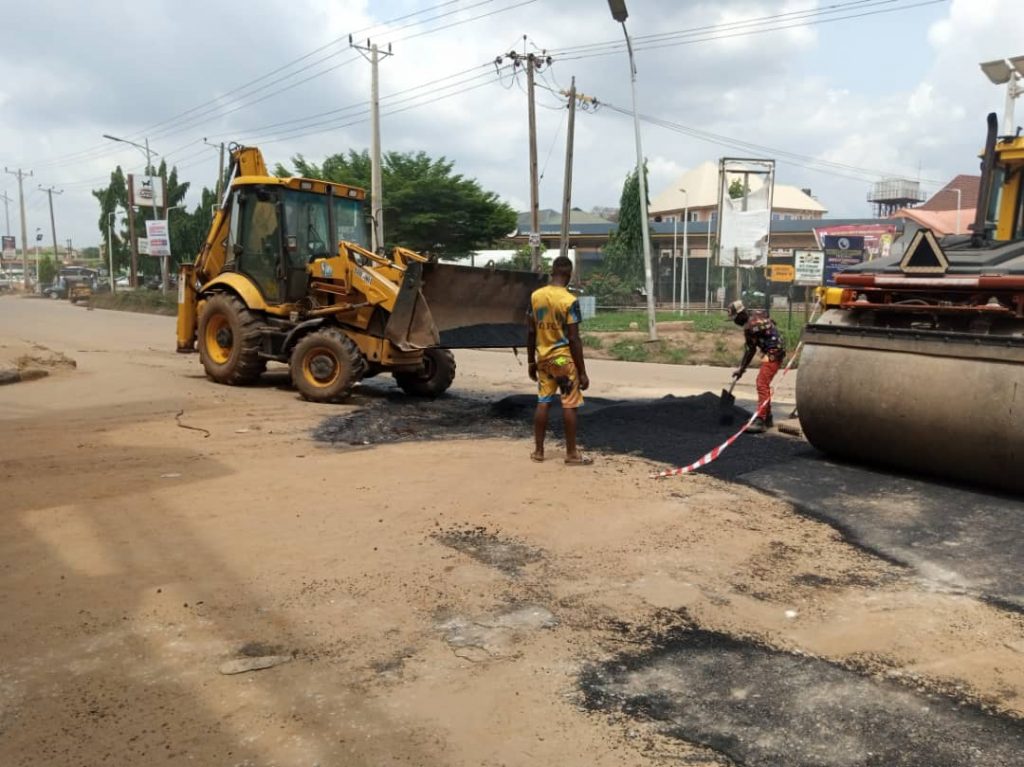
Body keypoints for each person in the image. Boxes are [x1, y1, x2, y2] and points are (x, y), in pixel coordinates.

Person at [527, 255, 591, 465]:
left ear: (552, 271)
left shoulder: (535, 296)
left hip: (543, 360)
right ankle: (571, 454)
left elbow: (530, 331)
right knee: (569, 404)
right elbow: (574, 338)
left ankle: (538, 451)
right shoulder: (569, 301)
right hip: (563, 361)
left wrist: (531, 361)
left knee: (543, 402)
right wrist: (581, 372)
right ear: (569, 275)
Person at [728, 299, 786, 434]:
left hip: (773, 352)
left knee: (761, 383)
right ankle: (768, 418)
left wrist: (741, 369)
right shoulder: (757, 314)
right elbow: (771, 322)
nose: (735, 321)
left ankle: (760, 420)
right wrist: (741, 369)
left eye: (735, 317)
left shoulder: (749, 327)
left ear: (741, 314)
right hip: (775, 349)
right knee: (763, 384)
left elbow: (750, 350)